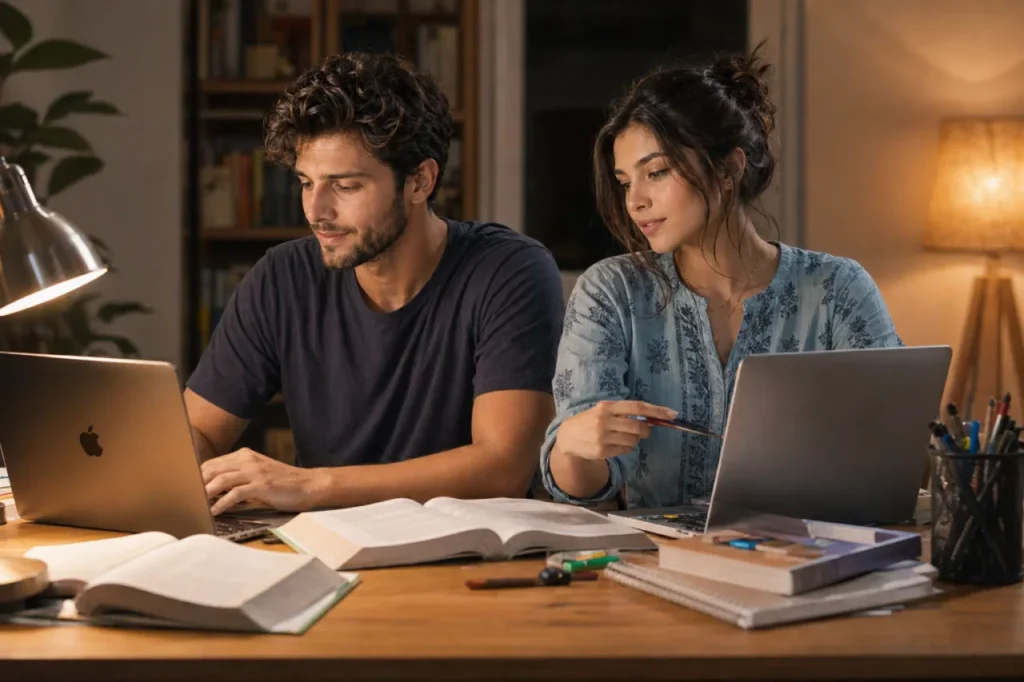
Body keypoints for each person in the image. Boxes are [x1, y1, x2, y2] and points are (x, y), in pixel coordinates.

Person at [185, 52, 564, 516]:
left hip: (463, 561)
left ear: (420, 181)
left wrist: (309, 486)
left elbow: (503, 467)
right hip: (326, 553)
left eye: (344, 186)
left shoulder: (510, 271)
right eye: (307, 182)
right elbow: (198, 433)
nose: (316, 211)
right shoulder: (282, 276)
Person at [540, 46, 903, 510]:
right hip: (658, 561)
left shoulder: (839, 289)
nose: (635, 202)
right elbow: (583, 492)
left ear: (729, 168)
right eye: (626, 181)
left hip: (805, 552)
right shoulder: (611, 292)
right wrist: (573, 444)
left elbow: (888, 449)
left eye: (656, 172)